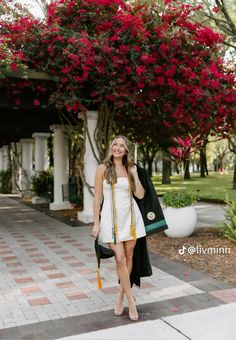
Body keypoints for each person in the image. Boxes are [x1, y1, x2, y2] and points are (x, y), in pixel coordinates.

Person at [91, 135, 146, 321]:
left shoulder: (130, 169)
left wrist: (135, 174)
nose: (118, 147)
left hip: (131, 219)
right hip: (110, 220)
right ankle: (131, 301)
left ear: (126, 150)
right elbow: (97, 197)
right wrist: (96, 223)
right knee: (120, 258)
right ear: (111, 147)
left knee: (129, 257)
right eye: (115, 144)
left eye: (122, 145)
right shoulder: (102, 169)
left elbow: (140, 195)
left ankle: (120, 295)